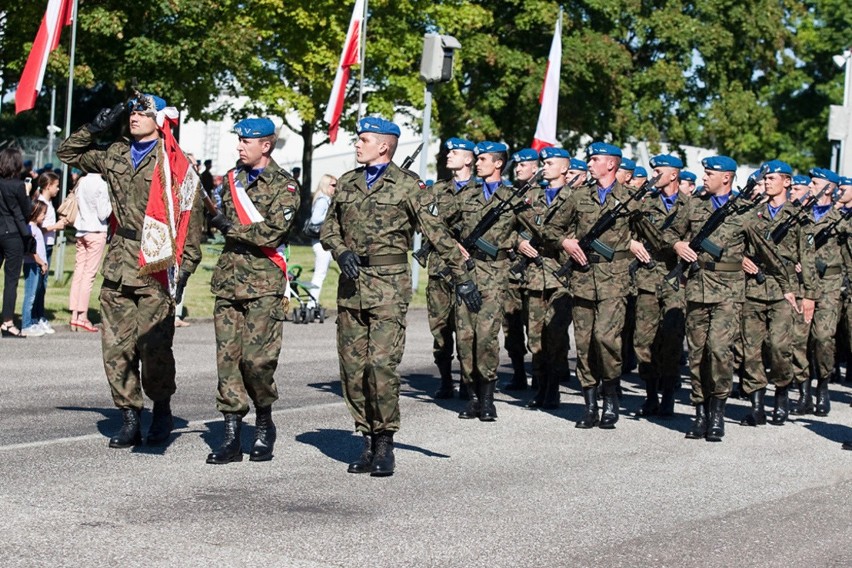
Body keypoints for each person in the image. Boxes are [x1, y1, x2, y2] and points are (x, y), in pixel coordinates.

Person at [321, 116, 477, 476]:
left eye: (363, 139)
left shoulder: (408, 186)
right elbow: (329, 228)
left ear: (384, 146)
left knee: (380, 365)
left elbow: (436, 233)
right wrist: (341, 250)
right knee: (352, 369)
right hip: (351, 286)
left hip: (389, 286)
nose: (356, 144)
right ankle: (366, 437)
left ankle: (385, 441)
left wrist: (462, 278)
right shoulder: (347, 182)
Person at [58, 92, 203, 448]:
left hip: (156, 262)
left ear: (160, 120)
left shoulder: (173, 161)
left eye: (142, 112)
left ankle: (162, 409)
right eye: (132, 112)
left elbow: (191, 215)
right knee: (116, 349)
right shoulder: (115, 153)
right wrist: (96, 125)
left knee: (154, 348)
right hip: (120, 260)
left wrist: (185, 269)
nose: (134, 117)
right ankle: (129, 416)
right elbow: (67, 154)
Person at [663, 156, 796, 442]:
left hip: (729, 292)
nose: (704, 178)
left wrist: (786, 284)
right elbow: (669, 232)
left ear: (726, 177)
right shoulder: (693, 205)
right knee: (697, 354)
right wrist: (678, 244)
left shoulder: (746, 212)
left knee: (719, 350)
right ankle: (700, 414)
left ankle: (718, 414)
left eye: (709, 173)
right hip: (697, 287)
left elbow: (767, 251)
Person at [205, 118, 300, 465]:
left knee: (257, 361)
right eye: (240, 140)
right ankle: (231, 434)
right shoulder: (230, 180)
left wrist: (232, 227)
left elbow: (273, 233)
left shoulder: (285, 186)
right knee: (227, 361)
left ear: (266, 145)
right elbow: (214, 219)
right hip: (229, 282)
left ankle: (264, 418)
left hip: (264, 284)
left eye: (247, 141)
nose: (240, 146)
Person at [555, 142, 636, 429]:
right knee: (585, 343)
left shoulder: (630, 199)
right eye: (589, 159)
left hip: (615, 281)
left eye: (595, 159)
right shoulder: (578, 197)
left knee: (606, 339)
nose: (589, 163)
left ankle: (611, 399)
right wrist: (565, 242)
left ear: (611, 164)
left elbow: (656, 234)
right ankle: (589, 406)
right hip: (583, 280)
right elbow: (551, 227)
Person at [737, 160, 816, 427]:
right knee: (751, 350)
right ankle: (757, 405)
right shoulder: (752, 215)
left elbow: (808, 258)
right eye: (765, 178)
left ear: (787, 181)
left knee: (780, 348)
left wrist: (809, 296)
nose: (767, 182)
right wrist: (741, 260)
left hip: (786, 291)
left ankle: (781, 394)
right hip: (754, 288)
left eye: (772, 178)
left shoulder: (799, 217)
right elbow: (735, 245)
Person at [452, 141, 519, 422]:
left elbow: (537, 229)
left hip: (495, 272)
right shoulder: (466, 195)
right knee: (465, 337)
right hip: (466, 271)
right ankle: (473, 397)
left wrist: (514, 241)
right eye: (476, 159)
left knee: (487, 337)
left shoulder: (513, 197)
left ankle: (488, 398)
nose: (477, 163)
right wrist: (454, 245)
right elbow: (442, 227)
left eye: (482, 159)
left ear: (498, 164)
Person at [630, 154, 688, 418]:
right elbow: (623, 229)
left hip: (677, 279)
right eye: (652, 169)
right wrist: (630, 242)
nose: (654, 173)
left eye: (659, 170)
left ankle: (667, 396)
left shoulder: (692, 206)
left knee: (671, 340)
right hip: (649, 278)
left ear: (674, 174)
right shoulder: (644, 203)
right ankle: (650, 394)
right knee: (643, 341)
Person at [516, 147, 573, 409]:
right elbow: (508, 227)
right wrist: (517, 241)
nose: (544, 166)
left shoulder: (578, 198)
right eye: (543, 162)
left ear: (564, 168)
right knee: (535, 337)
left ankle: (554, 387)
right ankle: (541, 387)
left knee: (556, 336)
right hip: (534, 277)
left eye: (549, 163)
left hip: (563, 278)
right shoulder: (530, 196)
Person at [424, 138, 475, 399]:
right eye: (448, 151)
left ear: (468, 159)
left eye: (454, 152)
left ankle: (468, 381)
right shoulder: (436, 191)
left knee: (467, 329)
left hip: (469, 269)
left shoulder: (481, 190)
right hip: (439, 270)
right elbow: (426, 225)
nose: (448, 155)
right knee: (441, 329)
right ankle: (445, 380)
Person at [793, 168, 844, 417]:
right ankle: (804, 392)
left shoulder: (842, 219)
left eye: (814, 183)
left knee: (823, 338)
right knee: (799, 339)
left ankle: (822, 385)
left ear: (829, 188)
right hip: (802, 285)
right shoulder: (800, 215)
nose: (809, 186)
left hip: (830, 286)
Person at [500, 148, 535, 392]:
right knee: (511, 325)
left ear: (536, 168)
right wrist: (516, 241)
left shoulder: (544, 196)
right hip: (512, 271)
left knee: (536, 326)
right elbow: (500, 229)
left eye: (524, 165)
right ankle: (519, 372)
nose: (518, 168)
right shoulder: (509, 196)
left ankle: (543, 376)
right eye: (517, 165)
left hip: (536, 271)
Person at [68, 173, 112, 332]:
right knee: (89, 275)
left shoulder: (82, 181)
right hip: (96, 230)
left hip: (81, 230)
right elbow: (103, 214)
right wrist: (112, 203)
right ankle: (83, 316)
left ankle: (74, 315)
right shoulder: (102, 184)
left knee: (79, 272)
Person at [0, 148, 33, 338]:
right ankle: (8, 322)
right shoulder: (18, 186)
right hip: (12, 234)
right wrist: (27, 193)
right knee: (11, 281)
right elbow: (27, 211)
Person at [32, 171, 67, 334]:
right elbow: (37, 227)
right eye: (56, 186)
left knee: (43, 285)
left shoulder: (49, 202)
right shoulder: (40, 202)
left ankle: (40, 316)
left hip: (49, 245)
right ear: (48, 186)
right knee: (39, 285)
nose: (58, 189)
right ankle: (35, 317)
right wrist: (56, 227)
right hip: (42, 247)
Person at [306, 174, 337, 309]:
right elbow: (315, 219)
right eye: (333, 185)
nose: (336, 188)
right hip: (320, 241)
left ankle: (313, 302)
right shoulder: (323, 199)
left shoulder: (324, 198)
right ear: (326, 185)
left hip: (321, 241)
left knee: (321, 273)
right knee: (320, 273)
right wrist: (331, 217)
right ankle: (311, 304)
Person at [21, 201, 50, 337]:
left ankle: (32, 321)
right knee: (30, 295)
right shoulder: (30, 229)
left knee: (35, 294)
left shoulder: (36, 228)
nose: (44, 216)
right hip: (33, 265)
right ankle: (26, 325)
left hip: (37, 265)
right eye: (43, 213)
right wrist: (41, 263)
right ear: (35, 213)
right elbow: (32, 252)